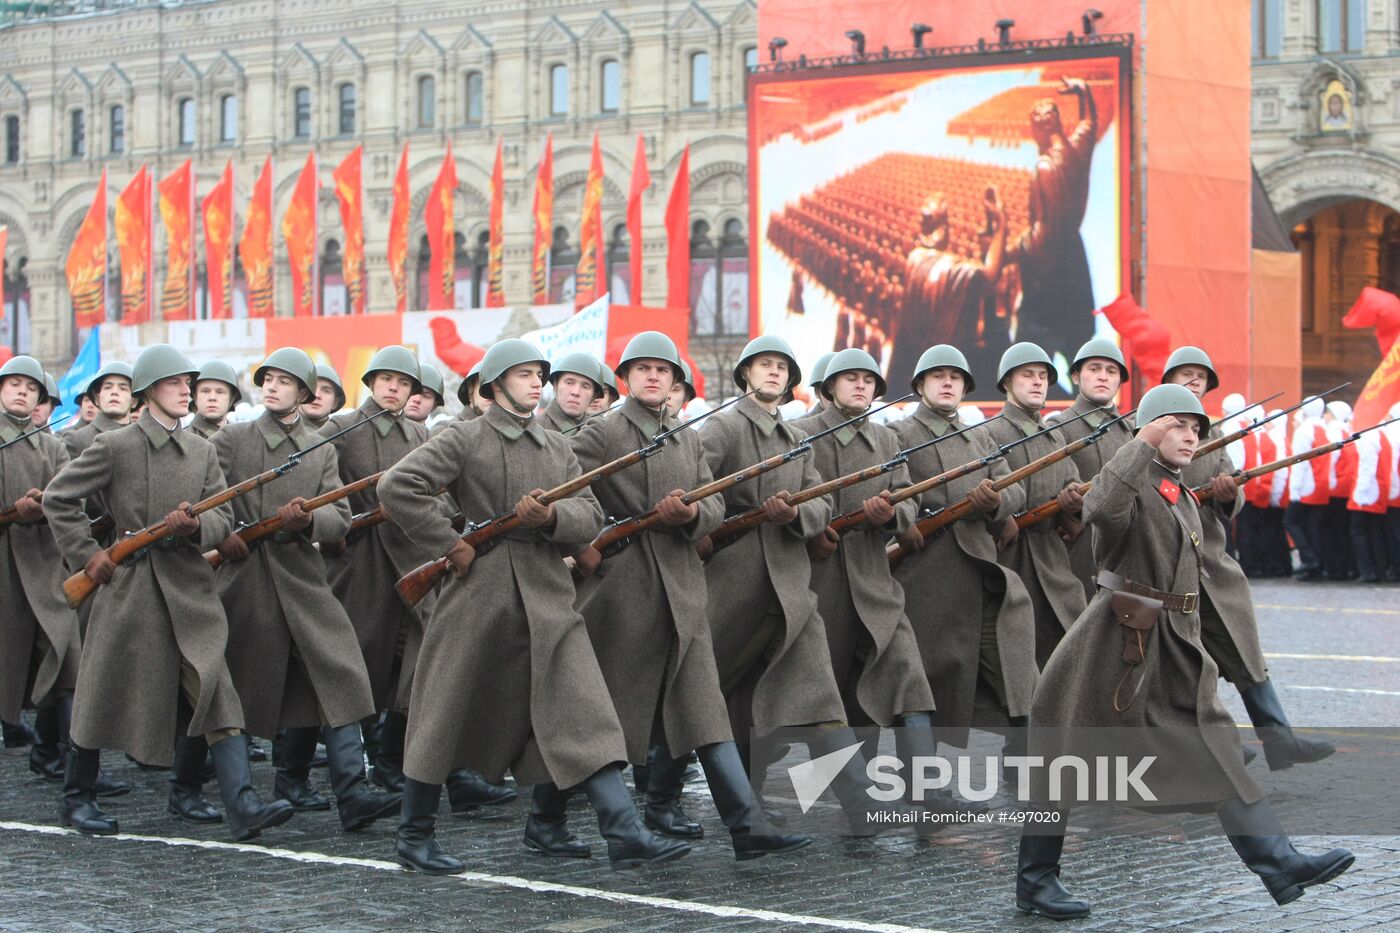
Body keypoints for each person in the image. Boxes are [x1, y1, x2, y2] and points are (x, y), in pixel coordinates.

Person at [1014, 384, 1354, 919]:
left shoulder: (1178, 492)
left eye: (1197, 428)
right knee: (1062, 758)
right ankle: (1035, 881)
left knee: (1214, 742)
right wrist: (1141, 442)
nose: (1191, 435)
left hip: (1169, 644)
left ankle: (1279, 861)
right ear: (1149, 430)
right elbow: (1101, 507)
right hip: (1111, 644)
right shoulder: (1129, 481)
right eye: (1177, 424)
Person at [379, 338, 690, 873]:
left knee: (582, 704)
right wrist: (448, 542)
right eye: (523, 375)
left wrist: (550, 521)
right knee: (443, 710)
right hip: (481, 589)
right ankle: (415, 835)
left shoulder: (554, 446)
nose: (534, 384)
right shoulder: (465, 437)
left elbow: (589, 514)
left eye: (536, 376)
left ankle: (623, 831)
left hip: (548, 591)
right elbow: (397, 485)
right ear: (496, 384)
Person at [569, 331, 810, 860]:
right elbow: (563, 484)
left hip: (682, 585)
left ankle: (747, 827)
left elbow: (715, 502)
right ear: (626, 378)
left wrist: (694, 515)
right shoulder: (605, 432)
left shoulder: (682, 436)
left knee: (705, 710)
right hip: (624, 587)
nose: (654, 378)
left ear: (675, 382)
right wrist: (587, 539)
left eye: (664, 371)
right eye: (643, 369)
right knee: (597, 709)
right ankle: (547, 818)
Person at [43, 344, 293, 841]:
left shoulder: (201, 449)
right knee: (101, 688)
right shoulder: (117, 445)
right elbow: (59, 497)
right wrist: (88, 554)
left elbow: (223, 518)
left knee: (215, 684)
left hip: (188, 586)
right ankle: (77, 797)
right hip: (131, 584)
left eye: (190, 385)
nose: (187, 392)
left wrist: (192, 528)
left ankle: (242, 803)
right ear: (150, 391)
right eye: (177, 384)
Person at [699, 336, 910, 834]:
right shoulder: (723, 426)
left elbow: (819, 504)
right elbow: (698, 492)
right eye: (763, 366)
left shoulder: (796, 441)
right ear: (745, 374)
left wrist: (796, 512)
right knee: (713, 695)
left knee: (817, 691)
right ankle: (672, 796)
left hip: (791, 586)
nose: (772, 374)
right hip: (736, 581)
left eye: (780, 367)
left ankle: (860, 805)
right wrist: (722, 518)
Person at [207, 347, 401, 832]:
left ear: (304, 393)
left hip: (302, 575)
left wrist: (311, 517)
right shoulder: (233, 440)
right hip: (246, 577)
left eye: (283, 381)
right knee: (222, 686)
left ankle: (352, 793)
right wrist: (225, 531)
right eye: (267, 379)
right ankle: (202, 790)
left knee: (341, 671)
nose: (271, 387)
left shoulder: (320, 447)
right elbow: (208, 498)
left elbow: (340, 516)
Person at [326, 347, 510, 813]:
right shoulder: (340, 429)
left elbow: (436, 492)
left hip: (413, 562)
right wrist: (345, 521)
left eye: (403, 383)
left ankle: (430, 773)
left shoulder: (419, 432)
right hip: (362, 564)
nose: (394, 388)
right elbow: (319, 491)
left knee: (424, 670)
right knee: (354, 673)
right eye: (386, 379)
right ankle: (351, 789)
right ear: (370, 382)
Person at [1165, 347, 1335, 770]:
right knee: (1183, 668)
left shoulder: (1214, 431)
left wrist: (1228, 493)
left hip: (1213, 565)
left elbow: (1234, 498)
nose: (1193, 383)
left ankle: (1280, 740)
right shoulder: (1149, 427)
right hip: (1167, 566)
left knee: (1246, 656)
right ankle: (1209, 752)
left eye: (1199, 378)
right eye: (1185, 375)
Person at [790, 348, 941, 799]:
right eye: (850, 378)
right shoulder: (801, 434)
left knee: (908, 677)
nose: (860, 385)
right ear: (830, 387)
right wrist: (811, 526)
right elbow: (788, 497)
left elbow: (908, 496)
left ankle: (927, 790)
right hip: (820, 582)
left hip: (875, 578)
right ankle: (853, 798)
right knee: (825, 696)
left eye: (868, 380)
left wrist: (891, 513)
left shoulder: (888, 441)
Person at [889, 345, 1038, 768]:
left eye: (955, 377)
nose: (948, 383)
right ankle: (923, 785)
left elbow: (1015, 487)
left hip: (979, 568)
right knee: (928, 680)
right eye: (938, 376)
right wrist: (907, 523)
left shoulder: (981, 436)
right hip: (925, 573)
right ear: (921, 385)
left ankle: (1034, 766)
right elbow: (893, 490)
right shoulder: (901, 434)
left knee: (1015, 668)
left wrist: (994, 502)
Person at [0, 357, 105, 791]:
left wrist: (43, 505)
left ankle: (71, 768)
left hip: (45, 565)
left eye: (32, 388)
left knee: (66, 658)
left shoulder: (51, 446)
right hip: (4, 569)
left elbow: (70, 500)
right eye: (14, 385)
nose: (23, 393)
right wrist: (11, 513)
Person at [979, 343, 1087, 668]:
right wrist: (1001, 519)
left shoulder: (1054, 436)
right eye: (1028, 375)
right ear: (1007, 382)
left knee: (1067, 653)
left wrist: (1072, 501)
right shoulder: (989, 433)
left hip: (1052, 561)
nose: (1038, 382)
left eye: (1043, 376)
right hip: (1007, 559)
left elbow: (1070, 481)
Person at [1010, 76, 1098, 363]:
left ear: (1041, 127)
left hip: (1051, 274)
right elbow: (1089, 123)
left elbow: (1042, 234)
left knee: (1030, 357)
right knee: (1079, 354)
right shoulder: (1076, 149)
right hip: (1076, 261)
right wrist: (1082, 91)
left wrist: (1012, 250)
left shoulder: (1045, 167)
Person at [890, 188, 1008, 394]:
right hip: (944, 376)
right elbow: (989, 276)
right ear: (944, 229)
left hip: (913, 373)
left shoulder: (914, 259)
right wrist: (1001, 226)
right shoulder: (953, 270)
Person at [1055, 338, 1134, 599]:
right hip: (1078, 551)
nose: (1103, 377)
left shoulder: (1133, 430)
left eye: (1111, 371)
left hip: (1129, 550)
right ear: (1076, 376)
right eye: (1094, 369)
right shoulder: (1058, 426)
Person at [1284, 398, 1332, 581]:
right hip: (1322, 484)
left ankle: (1309, 559)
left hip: (1307, 485)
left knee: (1291, 521)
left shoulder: (1304, 430)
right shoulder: (1324, 428)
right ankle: (1315, 565)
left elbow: (1300, 463)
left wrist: (1294, 489)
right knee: (1313, 526)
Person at [538, 352, 604, 433]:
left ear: (594, 396)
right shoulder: (536, 428)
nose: (576, 392)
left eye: (585, 386)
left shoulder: (598, 431)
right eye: (569, 383)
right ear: (555, 386)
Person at [188, 360, 242, 439]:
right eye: (205, 391)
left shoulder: (241, 438)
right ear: (195, 397)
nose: (212, 397)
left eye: (220, 392)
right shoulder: (182, 441)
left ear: (231, 398)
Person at [300, 362, 347, 432]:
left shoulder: (340, 438)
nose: (317, 395)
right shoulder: (279, 426)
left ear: (335, 402)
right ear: (300, 393)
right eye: (312, 387)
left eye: (326, 391)